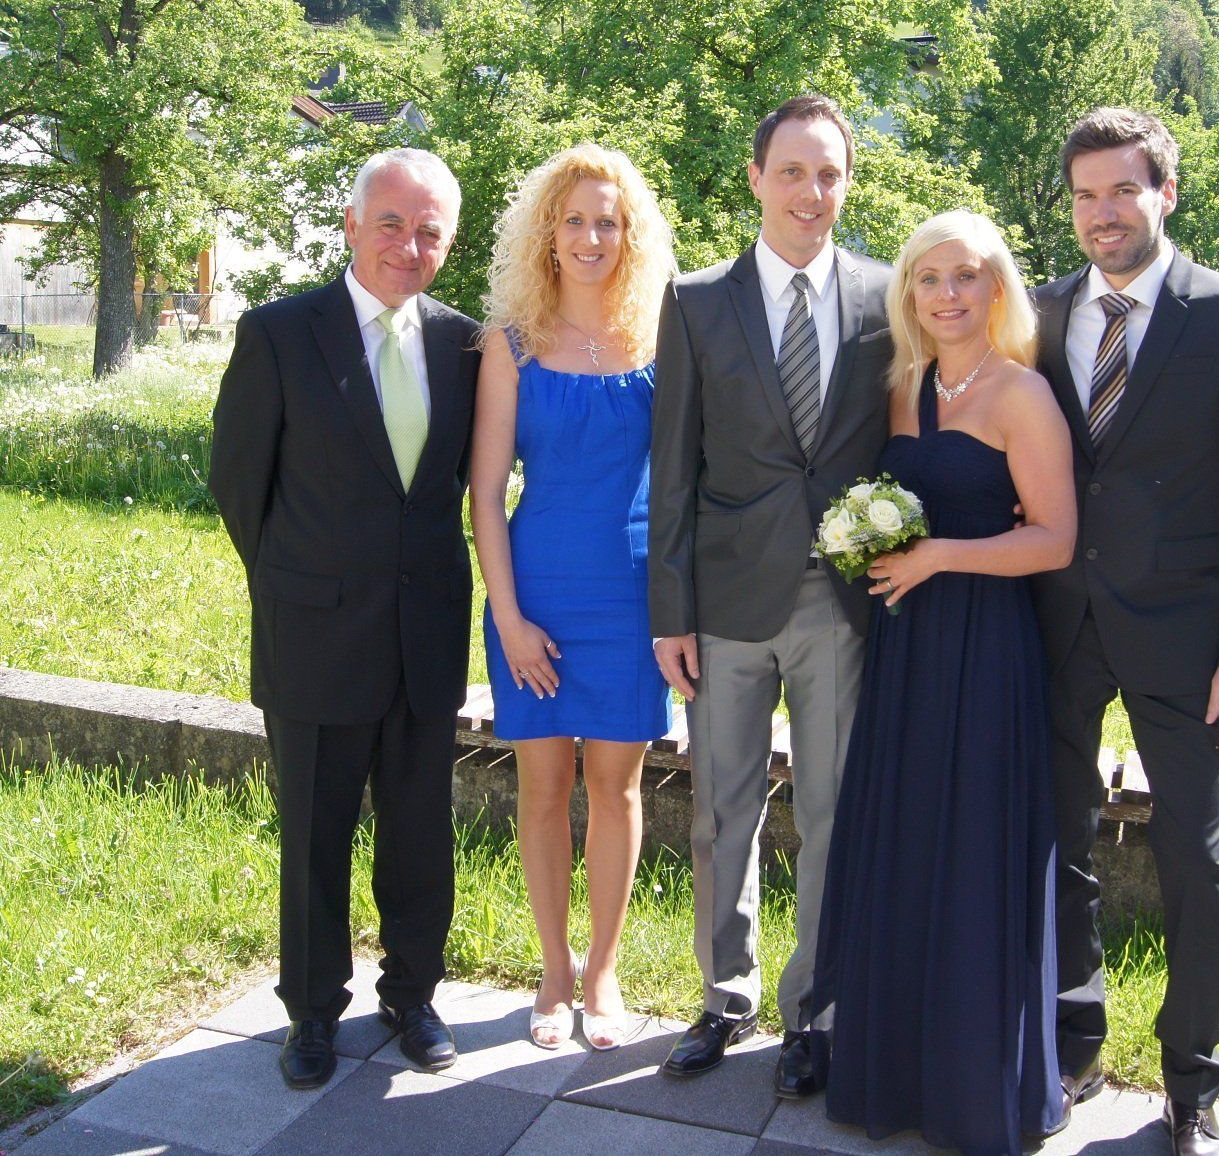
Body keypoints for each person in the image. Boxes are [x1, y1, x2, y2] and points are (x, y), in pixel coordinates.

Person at [1032, 108, 1219, 1156]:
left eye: (1121, 190)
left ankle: (1191, 1084)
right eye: (1084, 195)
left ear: (1164, 194)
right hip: (1055, 622)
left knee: (1196, 854)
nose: (1101, 213)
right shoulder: (1038, 310)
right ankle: (1072, 1047)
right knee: (1057, 842)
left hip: (1188, 638)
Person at [209, 148, 480, 1089]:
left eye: (430, 230)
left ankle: (412, 995)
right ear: (353, 226)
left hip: (425, 634)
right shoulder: (281, 333)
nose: (410, 245)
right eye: (392, 224)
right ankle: (312, 1011)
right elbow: (239, 484)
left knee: (420, 834)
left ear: (449, 240)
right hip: (314, 633)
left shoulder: (467, 345)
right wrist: (300, 586)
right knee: (314, 840)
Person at [811, 210, 1074, 1153]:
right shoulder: (901, 387)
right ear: (908, 293)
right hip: (907, 649)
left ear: (996, 287)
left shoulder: (1021, 394)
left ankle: (972, 1088)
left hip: (984, 648)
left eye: (966, 276)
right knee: (906, 843)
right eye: (928, 278)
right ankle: (894, 1072)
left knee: (970, 851)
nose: (948, 294)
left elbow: (1055, 539)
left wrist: (938, 557)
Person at [648, 95, 894, 1096]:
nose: (810, 191)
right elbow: (672, 468)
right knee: (721, 814)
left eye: (828, 173)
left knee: (832, 814)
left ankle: (815, 1012)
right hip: (723, 606)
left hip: (839, 604)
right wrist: (669, 612)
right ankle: (724, 996)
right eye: (791, 170)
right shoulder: (694, 301)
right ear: (756, 178)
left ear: (847, 183)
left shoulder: (887, 298)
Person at [471, 145, 676, 1052]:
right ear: (546, 234)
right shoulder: (510, 343)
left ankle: (603, 973)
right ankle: (553, 972)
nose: (591, 237)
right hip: (537, 596)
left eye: (608, 221)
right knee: (544, 788)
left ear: (630, 235)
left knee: (617, 788)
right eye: (574, 220)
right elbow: (484, 495)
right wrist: (509, 617)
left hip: (633, 599)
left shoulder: (662, 340)